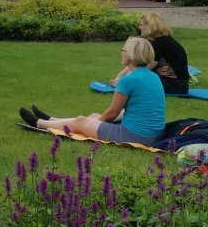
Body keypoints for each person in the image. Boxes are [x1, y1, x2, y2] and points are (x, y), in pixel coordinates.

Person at [20, 37, 166, 145]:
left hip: (136, 136)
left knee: (82, 121)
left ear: (131, 54)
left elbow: (112, 113)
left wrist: (92, 122)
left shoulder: (128, 80)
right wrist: (96, 119)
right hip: (153, 134)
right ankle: (52, 120)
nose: (121, 52)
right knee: (95, 115)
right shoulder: (153, 76)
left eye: (124, 49)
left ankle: (39, 123)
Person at [112, 12, 190, 94]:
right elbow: (137, 63)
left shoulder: (161, 43)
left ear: (150, 26)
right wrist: (119, 77)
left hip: (174, 85)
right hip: (174, 84)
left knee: (134, 83)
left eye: (141, 25)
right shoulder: (160, 41)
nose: (139, 27)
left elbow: (143, 69)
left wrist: (122, 82)